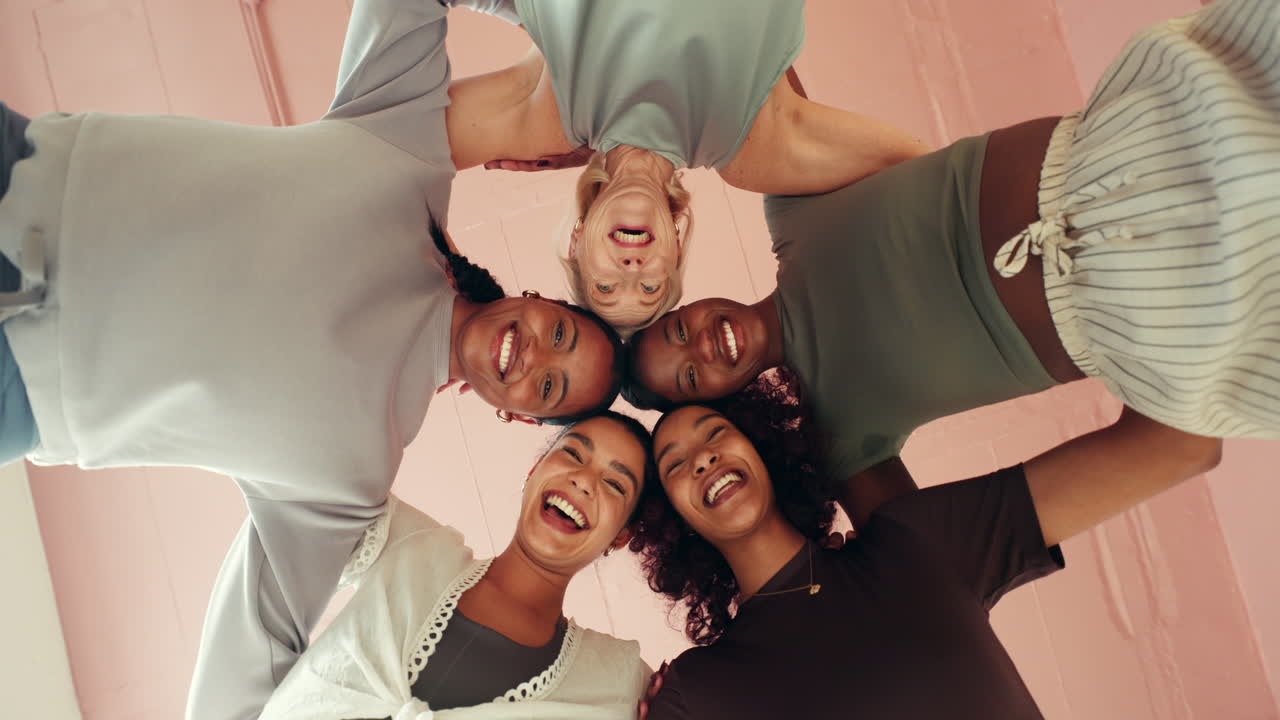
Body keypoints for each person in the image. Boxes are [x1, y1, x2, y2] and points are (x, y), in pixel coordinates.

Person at [0, 2, 625, 718]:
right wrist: (570, 29)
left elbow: (256, 644)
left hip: (19, 388)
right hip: (25, 175)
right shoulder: (405, 157)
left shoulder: (350, 478)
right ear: (542, 299)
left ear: (516, 414)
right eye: (562, 335)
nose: (534, 354)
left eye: (549, 386)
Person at [626, 0, 1280, 516]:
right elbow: (916, 573)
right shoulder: (840, 438)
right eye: (690, 376)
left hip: (1136, 146)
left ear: (688, 302)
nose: (702, 347)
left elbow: (751, 51)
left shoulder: (791, 209)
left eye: (678, 330)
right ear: (721, 401)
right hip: (1162, 311)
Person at [630, 377, 1222, 719]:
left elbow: (1181, 446)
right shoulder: (700, 690)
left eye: (717, 434)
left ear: (763, 448)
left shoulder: (917, 544)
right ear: (674, 521)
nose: (702, 458)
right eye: (676, 464)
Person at [448, 0, 926, 334]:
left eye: (606, 284)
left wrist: (461, 299)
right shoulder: (750, 152)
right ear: (675, 246)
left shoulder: (549, 117)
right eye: (651, 285)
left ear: (577, 241)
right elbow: (916, 168)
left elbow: (394, 146)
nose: (632, 269)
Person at [252, 412, 657, 719]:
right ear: (535, 472)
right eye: (573, 453)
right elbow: (295, 468)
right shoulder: (409, 546)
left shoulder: (614, 681)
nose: (584, 481)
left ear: (621, 536)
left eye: (615, 484)